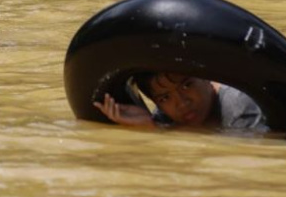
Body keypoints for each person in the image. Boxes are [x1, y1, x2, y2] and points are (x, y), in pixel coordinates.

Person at [94, 72, 269, 132]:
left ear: (206, 76)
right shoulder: (166, 114)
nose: (182, 103)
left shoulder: (239, 104)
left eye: (187, 85)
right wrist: (150, 127)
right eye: (165, 97)